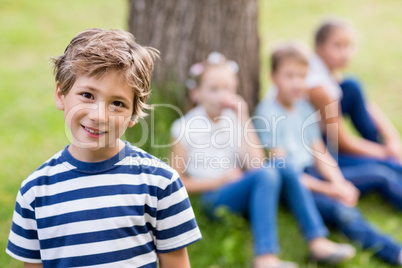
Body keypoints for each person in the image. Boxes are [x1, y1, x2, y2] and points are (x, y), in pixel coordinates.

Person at [6, 28, 202, 268]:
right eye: (87, 95)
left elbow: (176, 263)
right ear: (61, 94)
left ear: (133, 114)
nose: (99, 116)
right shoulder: (35, 192)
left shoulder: (160, 183)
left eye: (117, 103)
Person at [171, 52, 354, 268]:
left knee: (281, 164)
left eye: (228, 89)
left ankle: (317, 240)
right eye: (214, 90)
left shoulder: (233, 119)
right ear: (196, 93)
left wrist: (244, 119)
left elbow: (256, 163)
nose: (222, 96)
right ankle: (265, 258)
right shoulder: (183, 128)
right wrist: (219, 181)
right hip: (214, 196)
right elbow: (178, 181)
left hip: (240, 185)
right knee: (267, 173)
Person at [254, 42, 402, 265]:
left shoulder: (303, 106)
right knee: (344, 212)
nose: (296, 83)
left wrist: (339, 182)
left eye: (301, 76)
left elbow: (319, 151)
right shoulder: (267, 114)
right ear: (273, 76)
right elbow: (287, 172)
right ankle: (395, 253)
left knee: (380, 175)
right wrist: (331, 190)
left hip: (317, 173)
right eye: (289, 76)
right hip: (297, 186)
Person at [306, 17, 402, 171]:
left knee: (352, 86)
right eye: (337, 46)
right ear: (319, 47)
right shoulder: (317, 86)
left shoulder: (327, 70)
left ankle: (377, 144)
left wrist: (392, 138)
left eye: (349, 46)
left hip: (328, 137)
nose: (345, 54)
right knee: (387, 167)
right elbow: (342, 142)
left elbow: (366, 105)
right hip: (318, 150)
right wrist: (386, 153)